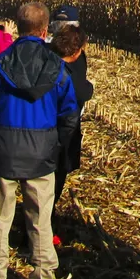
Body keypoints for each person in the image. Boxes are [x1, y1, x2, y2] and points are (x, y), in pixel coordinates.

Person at [0, 2, 78, 279]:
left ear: (17, 27)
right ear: (45, 30)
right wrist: (55, 145)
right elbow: (69, 115)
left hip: (2, 152)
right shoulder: (57, 68)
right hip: (41, 156)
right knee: (40, 220)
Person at [48, 24, 94, 243]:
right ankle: (41, 232)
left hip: (36, 139)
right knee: (52, 185)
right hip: (57, 142)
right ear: (76, 53)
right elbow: (81, 93)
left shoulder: (44, 62)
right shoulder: (67, 79)